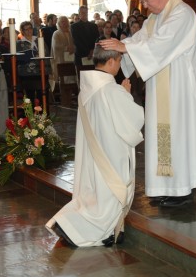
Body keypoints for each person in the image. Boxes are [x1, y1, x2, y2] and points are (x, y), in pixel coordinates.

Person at [100, 0, 196, 207]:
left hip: (181, 91)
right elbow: (141, 40)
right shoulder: (155, 18)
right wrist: (121, 49)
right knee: (162, 136)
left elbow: (162, 44)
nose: (144, 5)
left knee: (179, 136)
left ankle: (182, 190)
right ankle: (166, 187)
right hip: (162, 88)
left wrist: (125, 47)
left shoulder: (182, 13)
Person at [46, 44, 144, 247]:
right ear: (110, 61)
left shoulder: (88, 87)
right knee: (109, 194)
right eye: (118, 61)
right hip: (110, 152)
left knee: (96, 194)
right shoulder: (111, 90)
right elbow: (133, 120)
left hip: (93, 151)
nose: (119, 66)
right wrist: (126, 93)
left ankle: (78, 224)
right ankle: (82, 229)